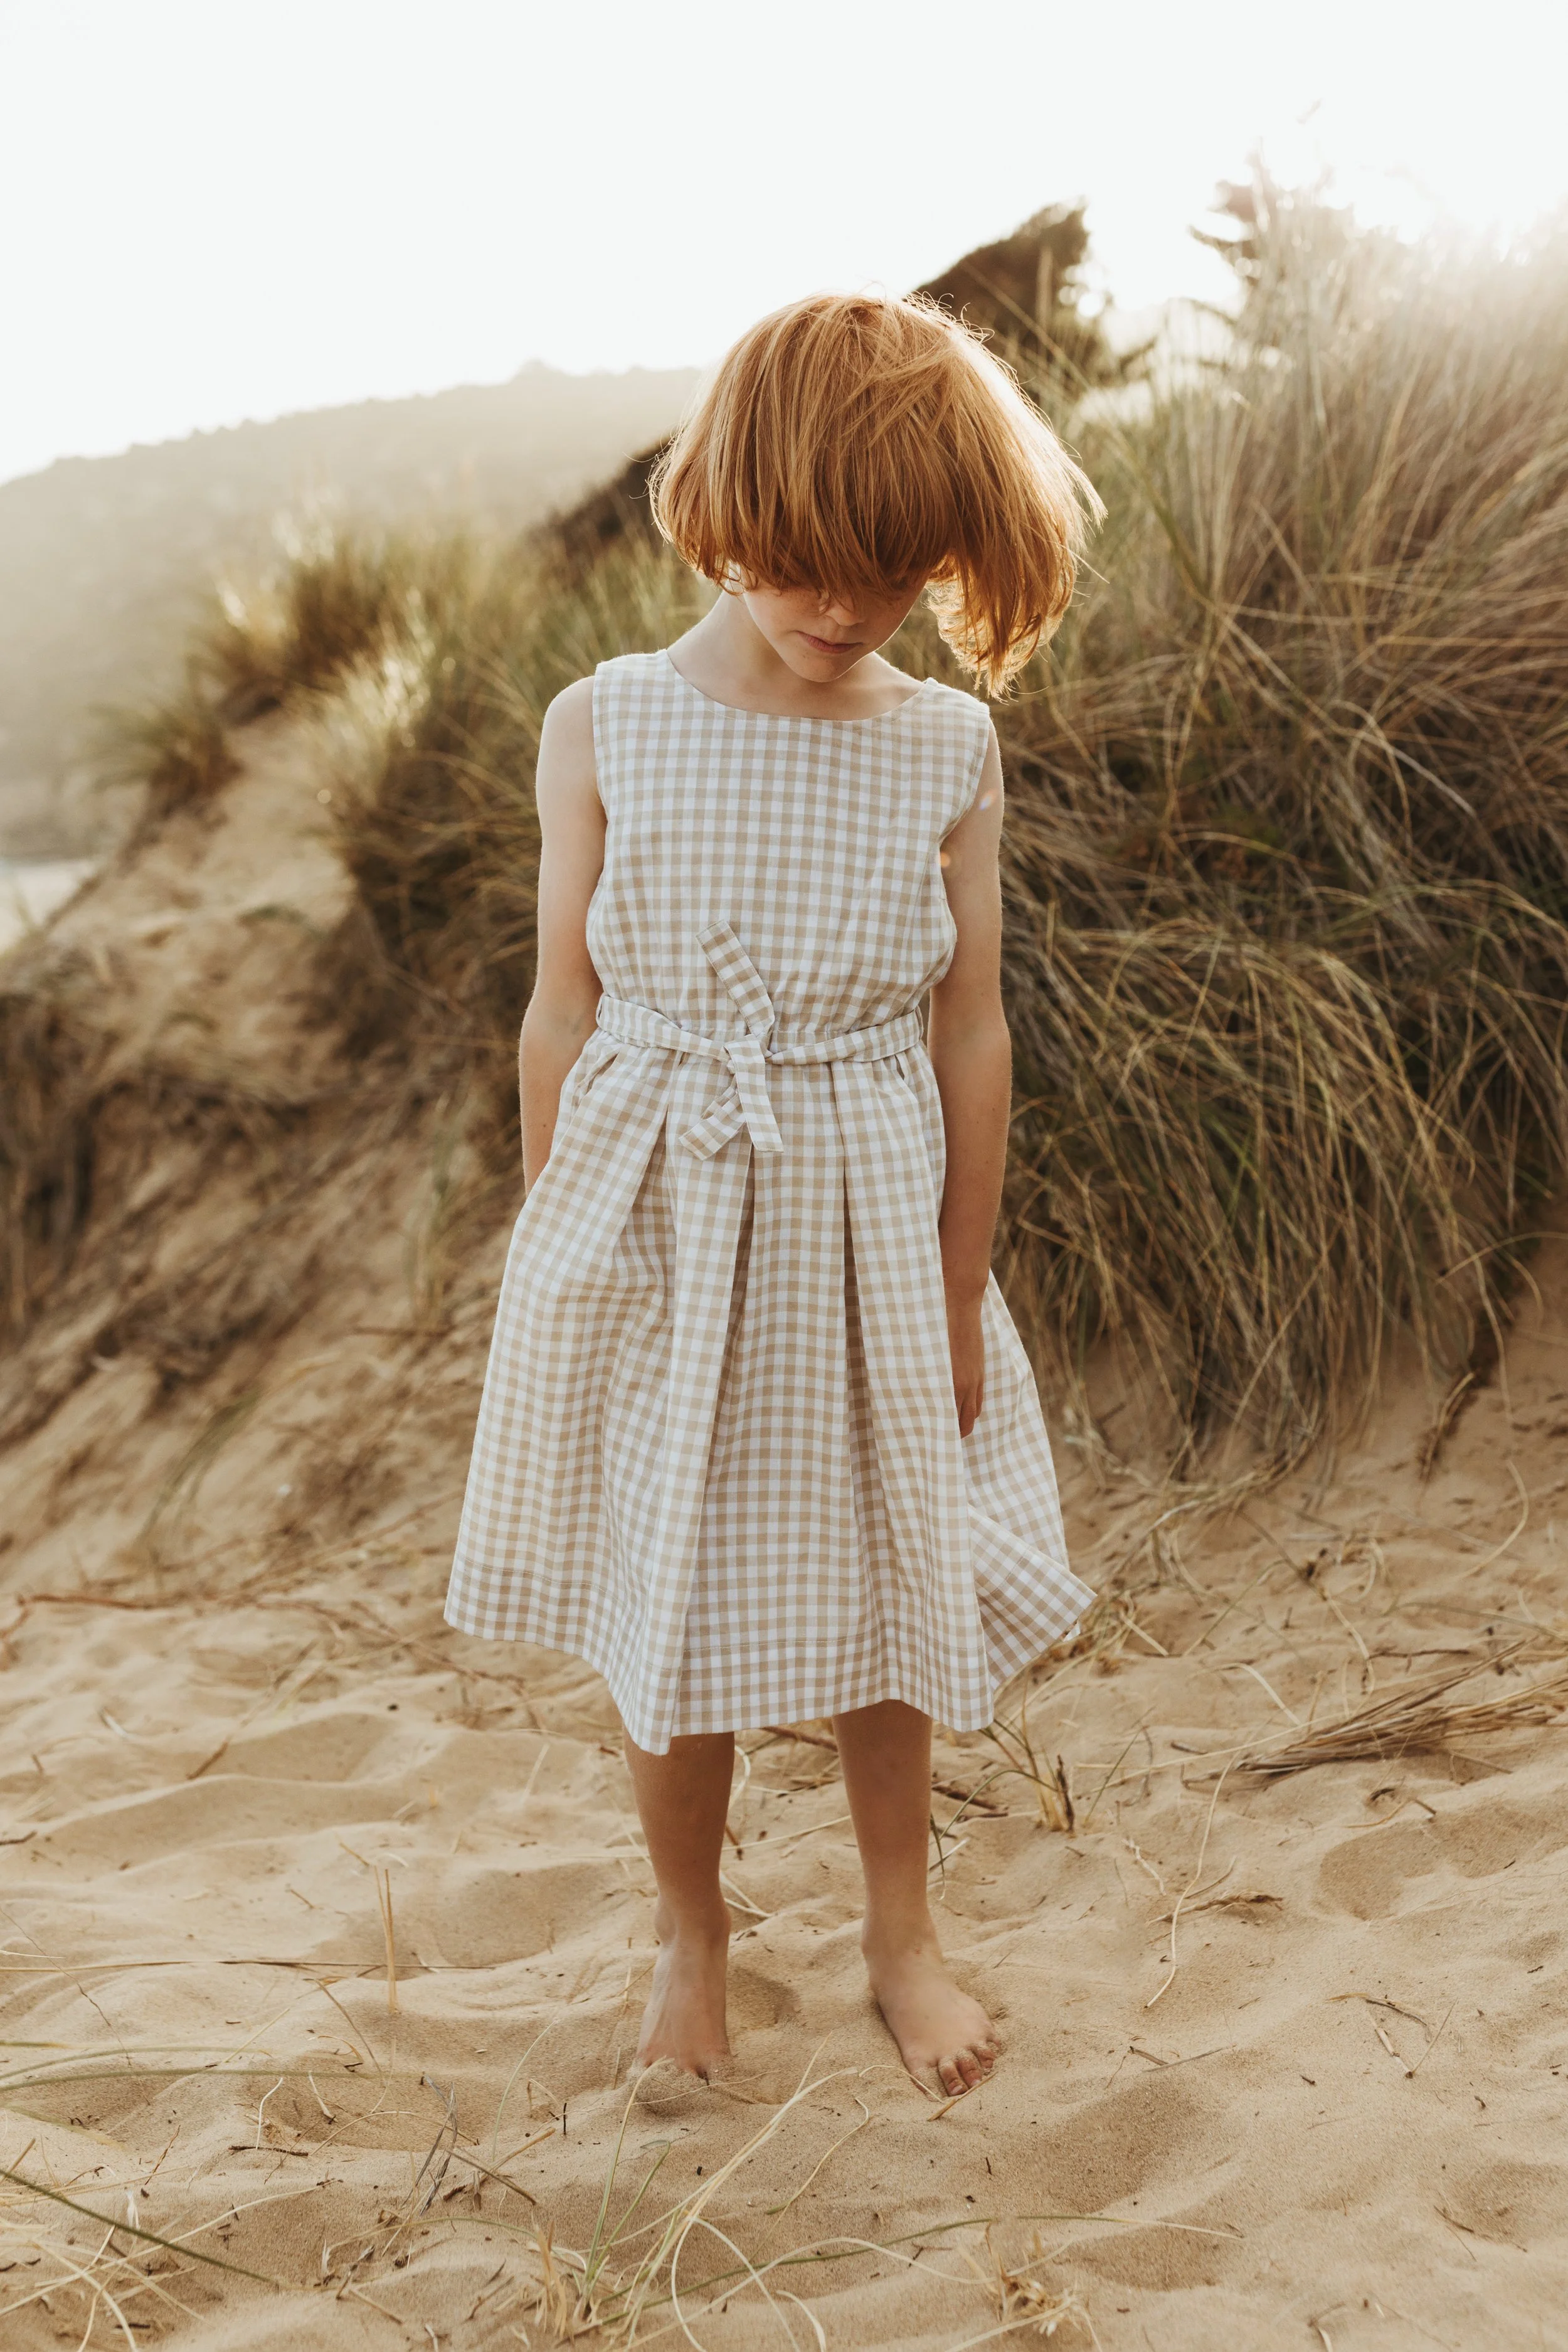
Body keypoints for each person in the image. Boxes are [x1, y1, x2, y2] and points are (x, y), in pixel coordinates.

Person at [446, 292, 1099, 2096]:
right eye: (808, 565)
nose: (840, 609)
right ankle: (692, 1930)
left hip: (871, 1219)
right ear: (726, 509)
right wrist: (559, 1246)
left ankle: (900, 1931)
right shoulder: (608, 722)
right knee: (678, 1606)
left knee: (894, 1583)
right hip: (665, 1208)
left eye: (889, 578)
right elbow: (559, 1004)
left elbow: (970, 1032)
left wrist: (961, 1289)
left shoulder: (945, 749)